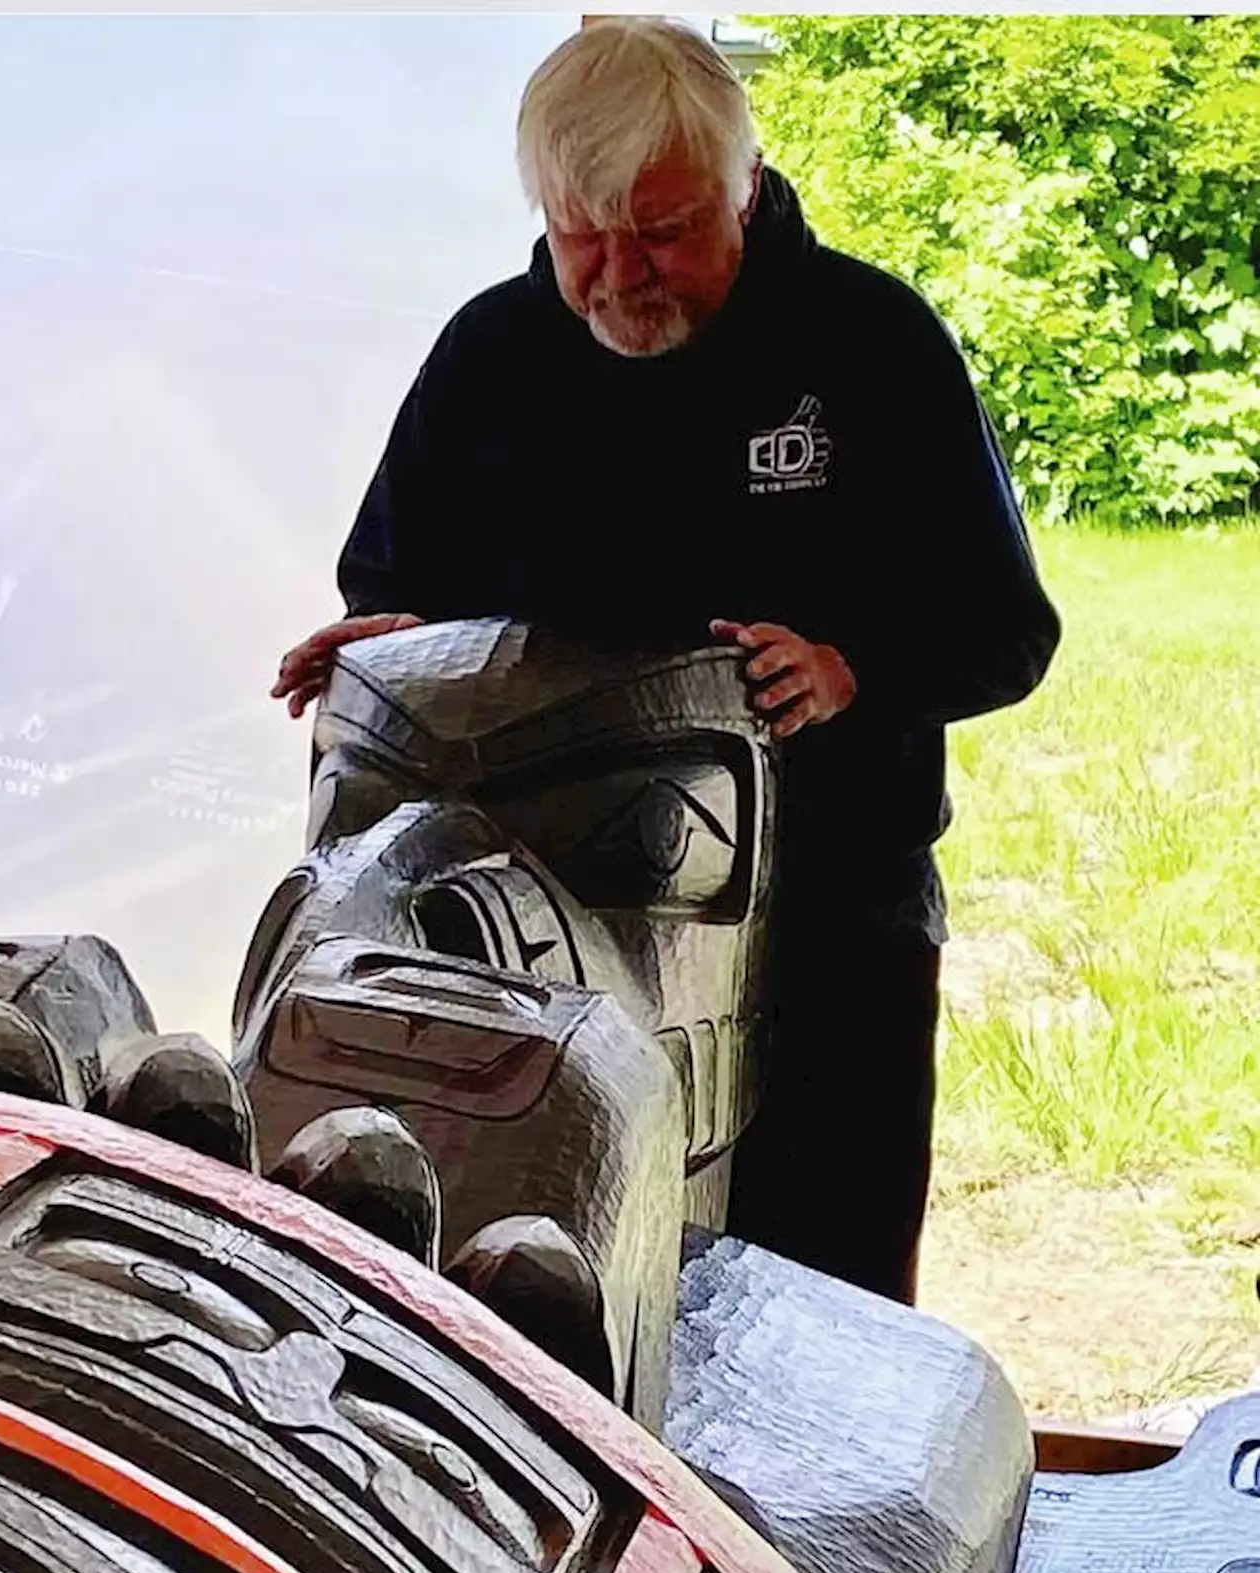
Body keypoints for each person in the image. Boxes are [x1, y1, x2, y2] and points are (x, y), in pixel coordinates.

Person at [271, 17, 1060, 1305]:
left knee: (820, 1314)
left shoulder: (870, 345)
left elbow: (1005, 629)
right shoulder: (491, 356)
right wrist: (389, 658)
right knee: (551, 1308)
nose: (621, 273)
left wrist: (849, 669)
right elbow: (400, 588)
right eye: (585, 234)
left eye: (666, 230)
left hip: (829, 929)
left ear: (743, 187)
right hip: (536, 956)